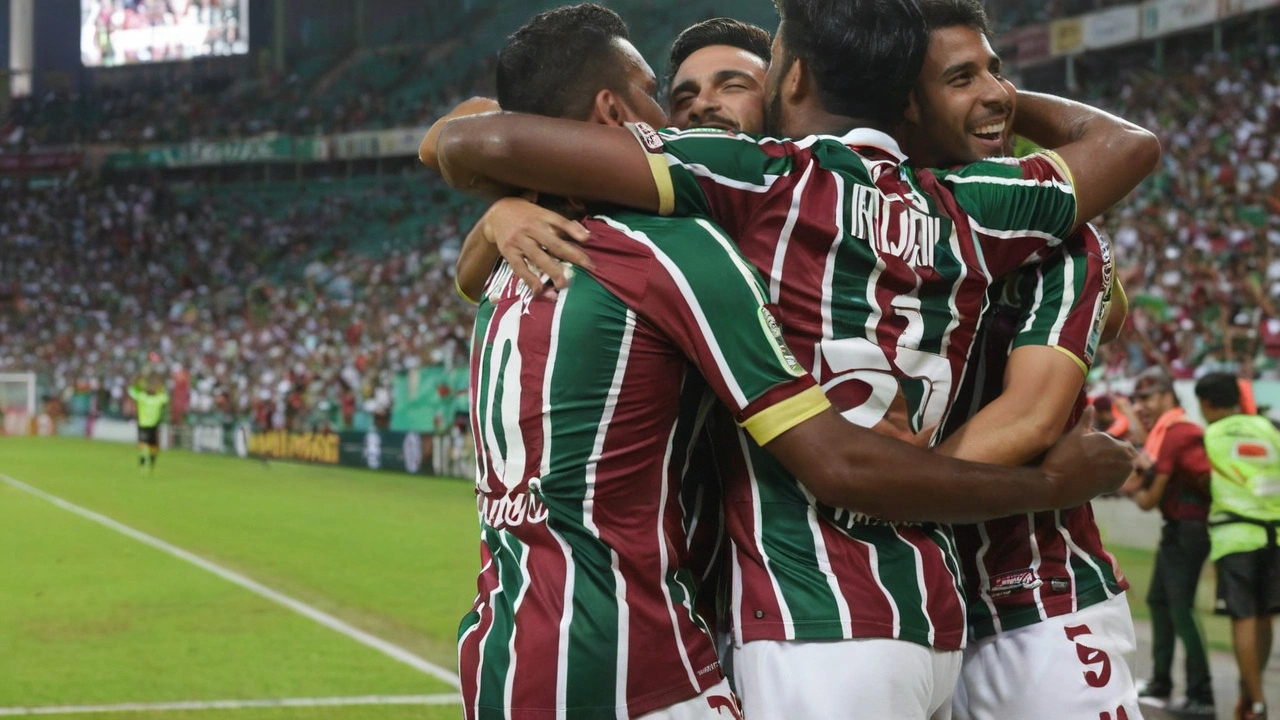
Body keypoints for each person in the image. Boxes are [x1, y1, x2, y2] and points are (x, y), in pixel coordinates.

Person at [432, 1, 1160, 716]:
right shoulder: (975, 208)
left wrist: (953, 86)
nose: (699, 109)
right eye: (676, 95)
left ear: (792, 85)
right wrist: (505, 213)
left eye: (738, 82)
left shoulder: (747, 186)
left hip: (829, 616)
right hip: (870, 610)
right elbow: (1127, 146)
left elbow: (479, 137)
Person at [889, 2, 1139, 718]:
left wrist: (879, 504)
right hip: (889, 614)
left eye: (996, 70)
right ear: (902, 102)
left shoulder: (1060, 236)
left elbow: (1029, 420)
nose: (997, 92)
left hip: (1032, 605)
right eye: (961, 77)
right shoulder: (834, 220)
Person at [1125, 366, 1216, 715]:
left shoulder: (1178, 433)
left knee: (1181, 610)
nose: (1142, 405)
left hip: (1188, 530)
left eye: (1147, 397)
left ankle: (1202, 695)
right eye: (1138, 399)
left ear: (1167, 396)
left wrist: (1129, 479)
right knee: (1160, 603)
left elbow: (1147, 500)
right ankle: (1161, 683)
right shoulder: (1166, 433)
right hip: (1177, 529)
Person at [1197, 373, 1280, 720]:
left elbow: (1201, 478)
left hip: (1235, 536)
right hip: (1275, 535)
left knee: (1242, 616)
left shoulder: (1211, 434)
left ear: (1206, 404)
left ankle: (1257, 704)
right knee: (1264, 617)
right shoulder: (1268, 429)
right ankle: (1251, 693)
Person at [128, 374, 169, 474]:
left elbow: (131, 391)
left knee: (148, 445)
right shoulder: (157, 398)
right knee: (148, 445)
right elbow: (165, 396)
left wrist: (138, 383)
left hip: (148, 425)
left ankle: (147, 462)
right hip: (148, 425)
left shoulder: (143, 397)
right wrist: (160, 386)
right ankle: (147, 462)